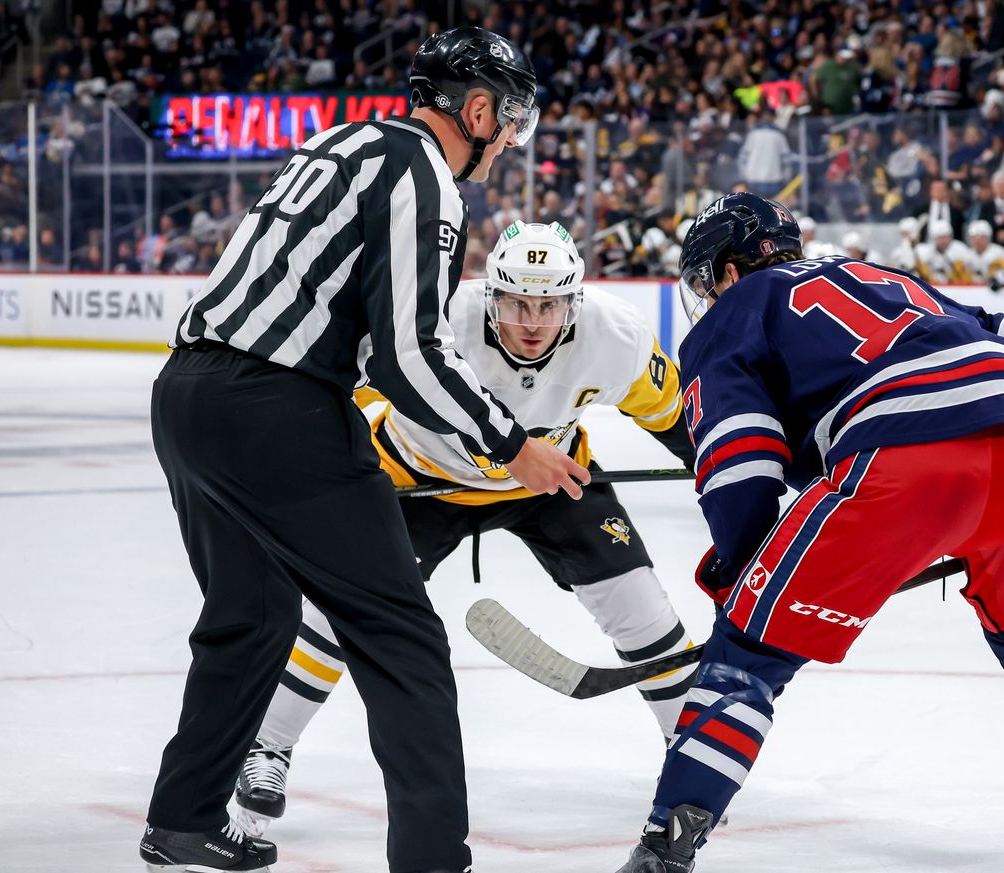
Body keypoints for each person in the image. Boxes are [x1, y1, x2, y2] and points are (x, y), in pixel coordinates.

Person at [614, 193, 1004, 873]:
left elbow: (740, 459)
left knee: (747, 653)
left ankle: (664, 852)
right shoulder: (893, 284)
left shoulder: (733, 316)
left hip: (905, 456)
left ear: (728, 272)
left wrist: (741, 568)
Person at [139, 27, 589, 873]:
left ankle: (183, 818)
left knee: (252, 617)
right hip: (282, 411)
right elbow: (408, 354)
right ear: (479, 108)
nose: (509, 140)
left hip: (186, 395)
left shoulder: (336, 142)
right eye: (511, 117)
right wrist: (510, 444)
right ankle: (433, 861)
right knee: (401, 637)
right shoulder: (425, 173)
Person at [230, 223, 701, 834]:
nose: (533, 321)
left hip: (550, 475)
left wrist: (733, 479)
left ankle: (693, 756)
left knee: (641, 606)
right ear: (492, 294)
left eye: (551, 304)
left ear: (574, 301)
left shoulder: (616, 336)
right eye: (517, 303)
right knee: (337, 615)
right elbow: (355, 388)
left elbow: (675, 419)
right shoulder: (439, 316)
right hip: (420, 479)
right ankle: (267, 746)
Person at [966, 219, 1004, 288]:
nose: (977, 240)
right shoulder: (968, 254)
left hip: (999, 289)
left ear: (988, 237)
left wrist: (997, 278)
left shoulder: (1000, 252)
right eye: (973, 237)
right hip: (976, 290)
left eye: (981, 237)